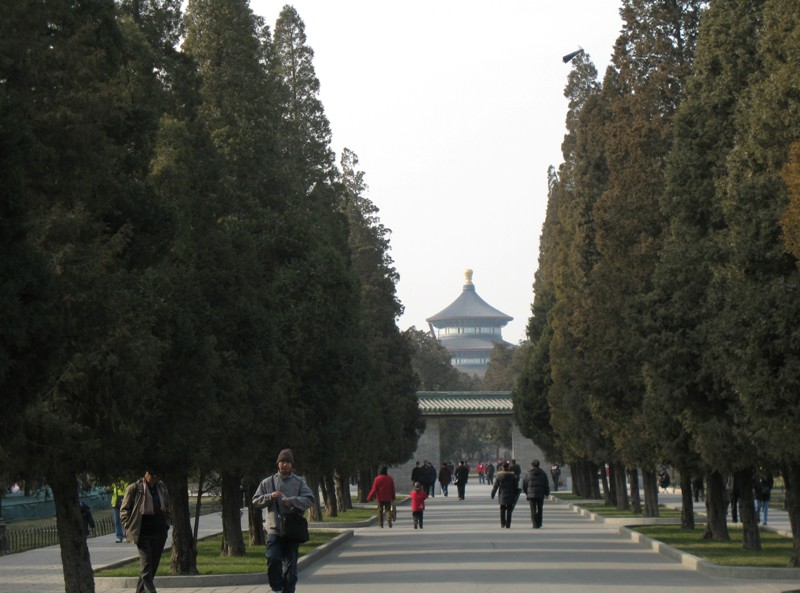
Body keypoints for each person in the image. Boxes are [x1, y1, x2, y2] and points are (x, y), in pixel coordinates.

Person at [252, 449, 315, 593]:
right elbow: (255, 501)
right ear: (277, 464)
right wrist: (269, 497)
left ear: (292, 465)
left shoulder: (299, 482)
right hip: (274, 529)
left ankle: (288, 590)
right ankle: (276, 587)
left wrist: (292, 501)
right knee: (273, 559)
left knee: (291, 567)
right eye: (282, 462)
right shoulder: (267, 482)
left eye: (287, 462)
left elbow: (310, 499)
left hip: (292, 530)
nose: (284, 465)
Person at [120, 466, 171, 593]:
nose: (153, 477)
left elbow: (168, 508)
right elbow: (124, 510)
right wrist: (129, 525)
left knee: (152, 566)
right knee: (146, 564)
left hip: (159, 532)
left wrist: (167, 524)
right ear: (145, 474)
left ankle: (140, 591)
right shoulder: (135, 488)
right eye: (151, 474)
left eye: (155, 475)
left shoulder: (161, 488)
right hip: (142, 533)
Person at [523, 459, 550, 528]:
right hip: (540, 494)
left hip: (531, 495)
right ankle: (539, 523)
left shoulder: (528, 474)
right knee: (540, 508)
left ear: (532, 465)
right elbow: (546, 484)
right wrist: (547, 493)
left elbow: (525, 484)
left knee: (533, 509)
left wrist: (527, 493)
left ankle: (534, 524)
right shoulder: (543, 473)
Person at [491, 462, 518, 528]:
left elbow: (495, 486)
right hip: (511, 494)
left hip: (502, 494)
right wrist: (515, 494)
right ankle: (508, 524)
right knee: (509, 509)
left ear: (503, 467)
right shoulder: (512, 475)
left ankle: (503, 523)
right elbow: (515, 486)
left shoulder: (499, 476)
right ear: (508, 467)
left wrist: (493, 493)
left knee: (502, 509)